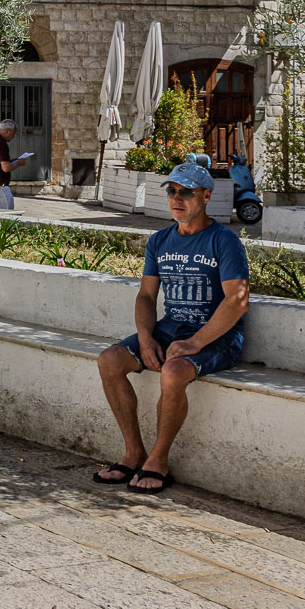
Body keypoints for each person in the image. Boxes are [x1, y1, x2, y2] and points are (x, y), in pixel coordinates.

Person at [94, 160, 250, 494]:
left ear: (206, 196)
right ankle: (134, 452)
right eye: (172, 192)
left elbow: (237, 300)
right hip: (169, 329)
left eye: (187, 193)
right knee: (109, 360)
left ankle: (158, 459)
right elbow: (147, 296)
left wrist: (196, 342)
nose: (177, 199)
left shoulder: (224, 241)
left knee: (173, 373)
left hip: (217, 335)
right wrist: (147, 339)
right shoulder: (160, 240)